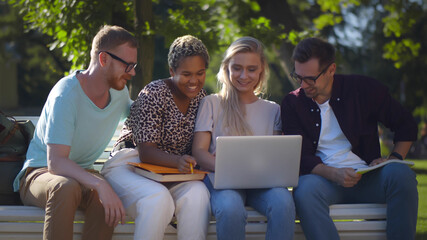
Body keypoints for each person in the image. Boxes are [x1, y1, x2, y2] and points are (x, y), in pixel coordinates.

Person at [281, 37, 418, 240]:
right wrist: (334, 174)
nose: (303, 84)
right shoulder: (292, 103)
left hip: (368, 177)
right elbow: (300, 156)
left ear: (331, 69)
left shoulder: (363, 89)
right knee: (304, 191)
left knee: (400, 173)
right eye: (298, 77)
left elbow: (406, 124)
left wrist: (394, 158)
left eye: (310, 78)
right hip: (322, 181)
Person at [13, 25, 137, 240]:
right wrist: (99, 183)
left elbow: (143, 116)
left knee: (103, 196)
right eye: (127, 65)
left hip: (81, 176)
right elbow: (56, 163)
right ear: (104, 59)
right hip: (39, 174)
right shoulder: (66, 94)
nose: (132, 72)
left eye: (134, 65)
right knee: (67, 187)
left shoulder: (119, 93)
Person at [101, 35, 211, 240]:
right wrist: (178, 160)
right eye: (186, 74)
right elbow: (146, 152)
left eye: (200, 73)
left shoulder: (202, 99)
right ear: (172, 71)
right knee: (157, 199)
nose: (194, 81)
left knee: (198, 194)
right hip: (130, 165)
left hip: (170, 173)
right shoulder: (154, 93)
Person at [192, 36, 296, 240]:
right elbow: (199, 152)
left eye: (251, 69)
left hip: (262, 185)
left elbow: (276, 156)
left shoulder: (273, 110)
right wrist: (230, 169)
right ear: (226, 68)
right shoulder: (211, 103)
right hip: (223, 183)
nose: (243, 75)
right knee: (231, 209)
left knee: (283, 202)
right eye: (237, 68)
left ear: (261, 70)